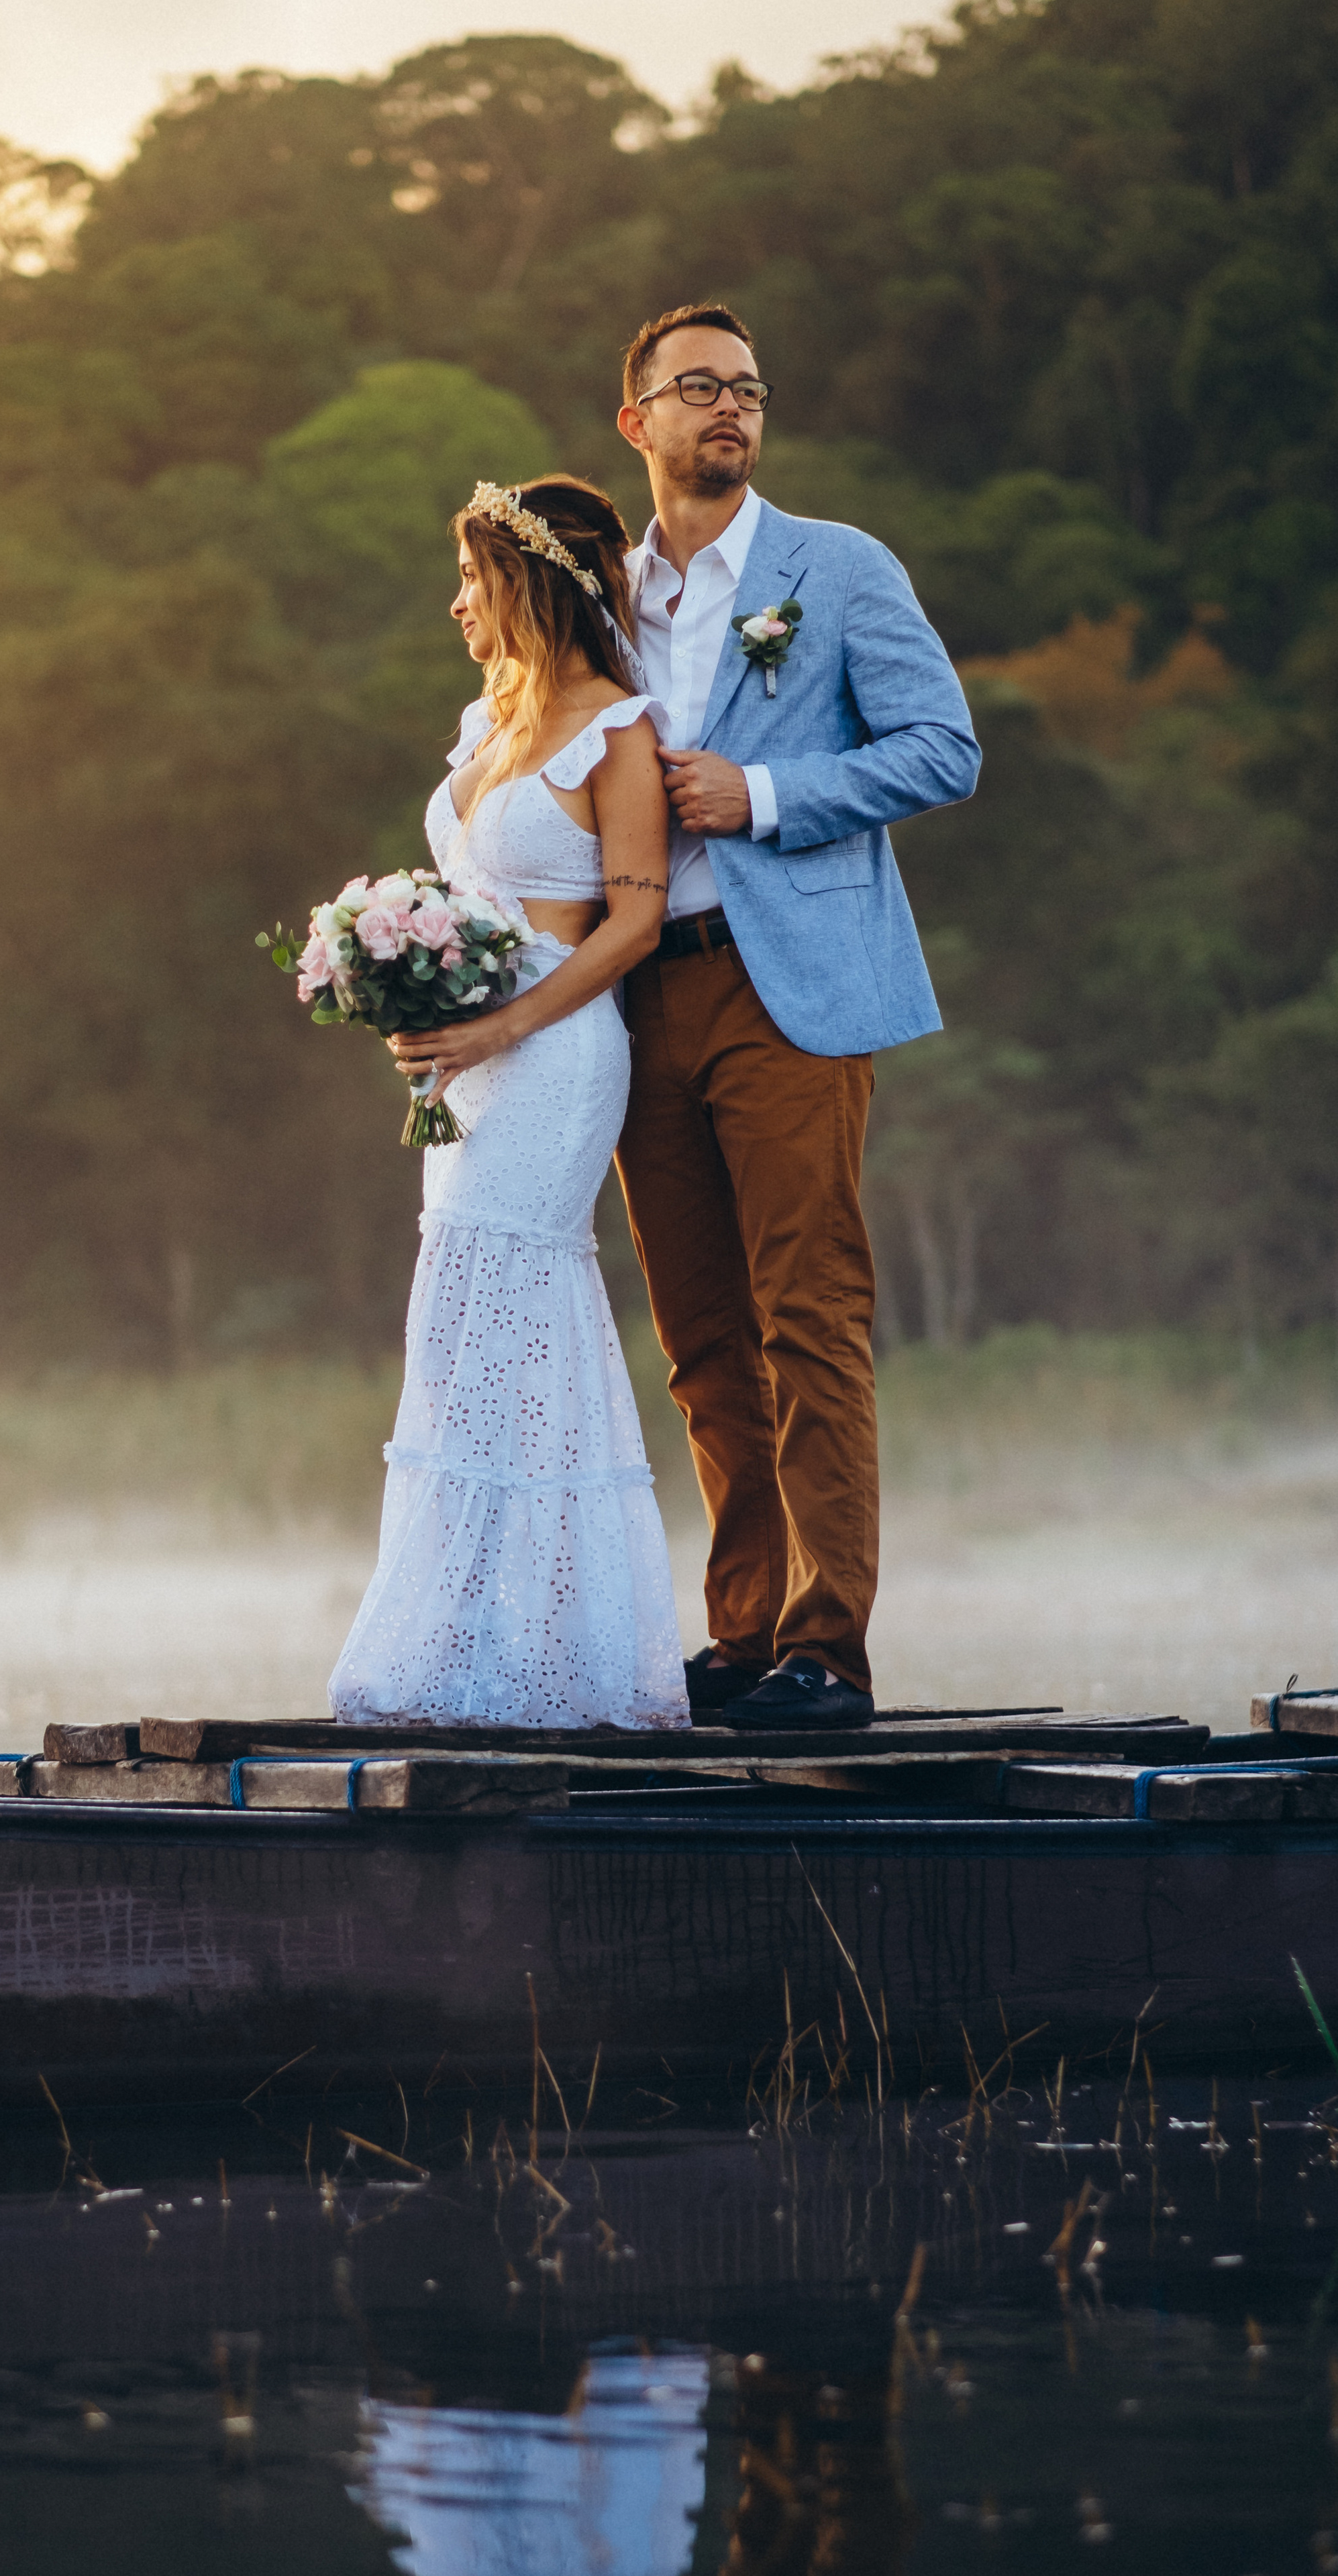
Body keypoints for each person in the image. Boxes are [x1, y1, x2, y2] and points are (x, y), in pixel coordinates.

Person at [613, 302, 982, 1729]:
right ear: (634, 420)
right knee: (702, 1340)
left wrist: (758, 796)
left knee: (807, 1319)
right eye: (697, 387)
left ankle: (828, 1647)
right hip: (643, 997)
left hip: (792, 994)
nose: (729, 409)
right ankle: (742, 1633)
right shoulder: (603, 592)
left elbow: (941, 748)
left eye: (749, 389)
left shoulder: (835, 567)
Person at [328, 476, 689, 1729]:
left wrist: (500, 1021)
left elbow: (636, 915)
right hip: (470, 1064)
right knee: (460, 1323)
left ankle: (552, 1655)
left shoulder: (617, 730)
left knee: (514, 1307)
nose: (457, 603)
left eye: (474, 580)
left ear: (530, 581)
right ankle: (467, 1634)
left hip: (555, 1054)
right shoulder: (483, 725)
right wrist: (403, 979)